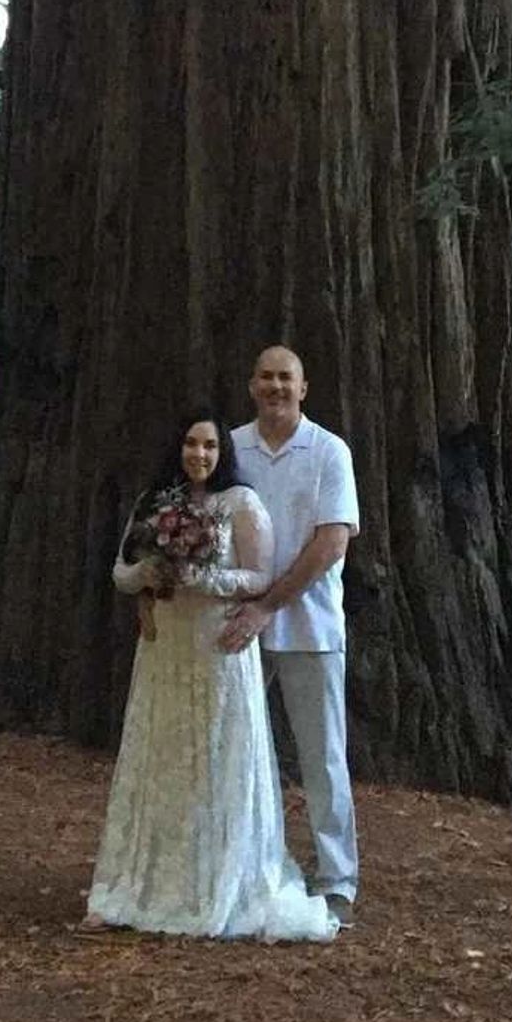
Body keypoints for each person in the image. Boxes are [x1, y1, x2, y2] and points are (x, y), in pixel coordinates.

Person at [83, 413, 335, 941]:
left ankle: (217, 881)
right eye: (191, 443)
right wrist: (148, 574)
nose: (199, 454)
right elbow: (121, 571)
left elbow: (257, 576)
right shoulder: (155, 504)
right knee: (165, 757)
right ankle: (137, 885)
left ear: (223, 453)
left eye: (210, 445)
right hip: (166, 650)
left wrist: (200, 575)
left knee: (218, 759)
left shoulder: (242, 503)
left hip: (219, 648)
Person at [225, 346, 360, 926]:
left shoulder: (329, 451)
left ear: (304, 388)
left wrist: (268, 604)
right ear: (251, 385)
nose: (277, 386)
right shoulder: (229, 448)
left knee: (321, 756)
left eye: (288, 378)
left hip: (311, 626)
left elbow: (332, 542)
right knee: (235, 751)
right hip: (234, 628)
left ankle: (337, 881)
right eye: (267, 377)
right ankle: (241, 866)